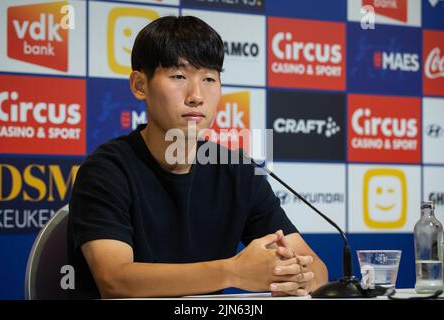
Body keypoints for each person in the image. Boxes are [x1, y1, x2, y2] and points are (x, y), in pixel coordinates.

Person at [67, 15, 328, 299]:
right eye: (179, 76)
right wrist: (233, 271)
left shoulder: (237, 170)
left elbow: (315, 266)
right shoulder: (107, 170)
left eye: (209, 78)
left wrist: (301, 275)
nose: (196, 96)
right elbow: (115, 281)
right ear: (140, 85)